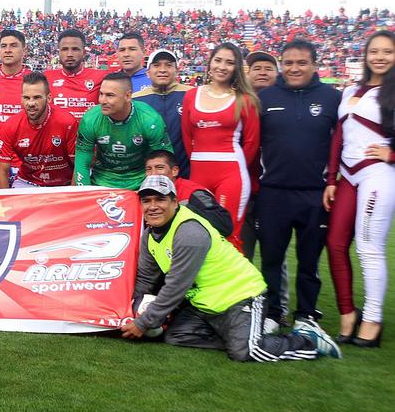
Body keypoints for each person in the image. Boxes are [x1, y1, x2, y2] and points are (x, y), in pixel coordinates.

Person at [121, 175, 341, 362]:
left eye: (160, 199)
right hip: (206, 305)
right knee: (177, 336)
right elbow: (145, 280)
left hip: (242, 296)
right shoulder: (149, 235)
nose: (153, 206)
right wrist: (124, 314)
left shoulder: (189, 232)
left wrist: (143, 323)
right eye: (146, 201)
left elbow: (176, 286)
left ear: (175, 202)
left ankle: (308, 341)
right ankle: (241, 336)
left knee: (247, 352)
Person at [255, 40, 340, 332]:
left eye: (302, 63)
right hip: (273, 192)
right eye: (288, 63)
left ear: (314, 65)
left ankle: (306, 314)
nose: (294, 68)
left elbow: (342, 143)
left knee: (309, 261)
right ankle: (272, 313)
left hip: (315, 194)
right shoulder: (265, 97)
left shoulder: (332, 98)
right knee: (271, 258)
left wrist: (334, 180)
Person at [325, 30, 395, 347]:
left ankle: (373, 319)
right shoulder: (351, 89)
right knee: (335, 243)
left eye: (387, 51)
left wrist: (391, 154)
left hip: (377, 174)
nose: (380, 57)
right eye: (374, 51)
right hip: (347, 177)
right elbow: (339, 136)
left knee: (368, 247)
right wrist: (331, 180)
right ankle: (347, 313)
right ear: (365, 55)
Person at [181, 42, 260, 251]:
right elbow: (187, 136)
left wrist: (233, 168)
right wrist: (198, 161)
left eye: (229, 62)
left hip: (231, 174)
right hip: (198, 173)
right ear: (210, 63)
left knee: (229, 234)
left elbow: (251, 143)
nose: (222, 67)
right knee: (199, 234)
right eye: (218, 60)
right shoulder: (191, 95)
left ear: (236, 68)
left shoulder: (245, 99)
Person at [74, 73, 171, 190]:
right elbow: (82, 163)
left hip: (141, 182)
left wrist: (157, 190)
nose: (102, 100)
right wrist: (85, 193)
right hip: (102, 181)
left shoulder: (150, 120)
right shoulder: (90, 119)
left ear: (128, 96)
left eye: (110, 95)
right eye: (101, 94)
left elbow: (165, 161)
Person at [0, 72, 78, 188]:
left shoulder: (67, 122)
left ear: (49, 98)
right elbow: (3, 171)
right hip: (27, 182)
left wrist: (72, 194)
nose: (31, 103)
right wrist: (5, 199)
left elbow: (79, 165)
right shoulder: (11, 126)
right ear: (21, 99)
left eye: (37, 97)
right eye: (26, 98)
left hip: (63, 184)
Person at [240, 50, 280, 263]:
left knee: (275, 256)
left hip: (275, 191)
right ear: (247, 74)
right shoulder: (236, 103)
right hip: (245, 190)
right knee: (242, 253)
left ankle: (277, 289)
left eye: (268, 69)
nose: (262, 72)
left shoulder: (286, 106)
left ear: (277, 74)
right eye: (256, 68)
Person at [133, 49, 191, 177]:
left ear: (177, 71)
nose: (163, 70)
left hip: (187, 172)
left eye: (169, 65)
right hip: (149, 175)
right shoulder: (136, 100)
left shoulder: (192, 94)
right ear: (148, 72)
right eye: (157, 65)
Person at [43, 28, 106, 121]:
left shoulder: (101, 77)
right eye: (65, 49)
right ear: (59, 52)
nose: (69, 54)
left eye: (75, 49)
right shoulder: (46, 77)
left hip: (88, 130)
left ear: (84, 53)